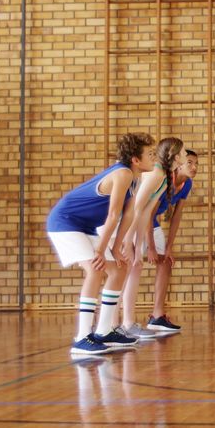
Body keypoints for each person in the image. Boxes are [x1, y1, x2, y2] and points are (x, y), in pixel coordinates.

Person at [46, 132, 155, 354]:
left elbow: (129, 214)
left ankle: (104, 331)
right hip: (64, 222)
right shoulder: (123, 174)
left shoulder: (136, 177)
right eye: (150, 154)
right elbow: (113, 215)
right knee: (95, 269)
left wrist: (115, 248)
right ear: (135, 159)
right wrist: (99, 250)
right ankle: (82, 337)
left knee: (118, 269)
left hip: (84, 225)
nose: (154, 158)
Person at [119, 137, 186, 340]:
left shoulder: (163, 178)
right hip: (119, 224)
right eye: (183, 152)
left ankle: (124, 323)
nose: (185, 155)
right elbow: (134, 207)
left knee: (134, 266)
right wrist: (127, 241)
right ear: (175, 155)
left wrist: (138, 245)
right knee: (123, 270)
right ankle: (119, 324)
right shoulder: (155, 174)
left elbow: (145, 214)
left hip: (130, 226)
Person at [145, 149, 198, 332]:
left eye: (196, 163)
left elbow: (176, 216)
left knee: (165, 261)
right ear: (179, 164)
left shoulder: (187, 184)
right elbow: (147, 212)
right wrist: (150, 246)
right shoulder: (165, 180)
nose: (194, 167)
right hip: (137, 220)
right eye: (189, 162)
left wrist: (168, 247)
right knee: (129, 264)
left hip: (151, 221)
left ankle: (157, 315)